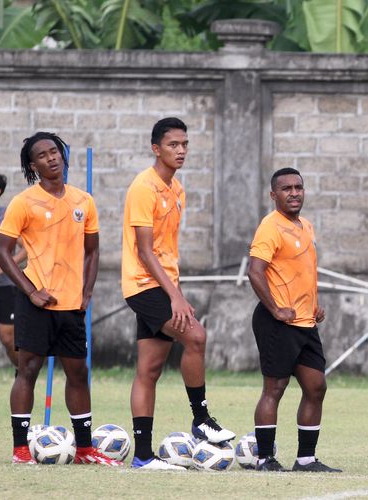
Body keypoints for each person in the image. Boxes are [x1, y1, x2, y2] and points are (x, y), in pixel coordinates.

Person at [0, 132, 120, 466]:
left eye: (55, 151)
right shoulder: (24, 202)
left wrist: (87, 292)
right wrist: (31, 291)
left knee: (78, 373)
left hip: (71, 305)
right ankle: (21, 449)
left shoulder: (84, 200)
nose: (51, 158)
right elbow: (3, 252)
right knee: (29, 369)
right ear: (32, 165)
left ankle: (84, 448)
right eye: (42, 155)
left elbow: (93, 252)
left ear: (63, 156)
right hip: (36, 301)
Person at [122, 117, 234, 470]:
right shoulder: (144, 187)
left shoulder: (178, 189)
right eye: (173, 145)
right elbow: (145, 251)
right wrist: (174, 297)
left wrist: (178, 292)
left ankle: (142, 456)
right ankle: (201, 420)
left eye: (185, 144)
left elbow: (168, 252)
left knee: (149, 369)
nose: (181, 150)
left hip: (163, 283)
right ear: (156, 148)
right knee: (196, 337)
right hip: (143, 285)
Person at [247, 167, 341, 473]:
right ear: (274, 195)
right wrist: (275, 309)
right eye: (286, 189)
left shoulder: (306, 226)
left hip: (305, 322)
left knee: (316, 387)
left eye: (299, 187)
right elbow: (255, 271)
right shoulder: (270, 227)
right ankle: (264, 459)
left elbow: (301, 271)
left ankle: (306, 460)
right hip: (278, 322)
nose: (294, 193)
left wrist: (314, 304)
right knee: (275, 387)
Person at [0, 172, 27, 370]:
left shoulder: (4, 216)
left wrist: (3, 264)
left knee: (7, 338)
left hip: (4, 285)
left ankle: (22, 372)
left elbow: (26, 248)